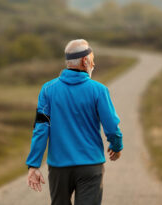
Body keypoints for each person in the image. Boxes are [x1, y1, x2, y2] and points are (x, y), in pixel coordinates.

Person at [25, 39, 123, 205]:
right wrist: (116, 146)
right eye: (92, 59)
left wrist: (33, 165)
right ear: (85, 61)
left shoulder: (48, 90)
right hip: (91, 165)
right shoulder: (99, 90)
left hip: (58, 168)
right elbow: (112, 126)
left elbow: (41, 128)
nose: (94, 64)